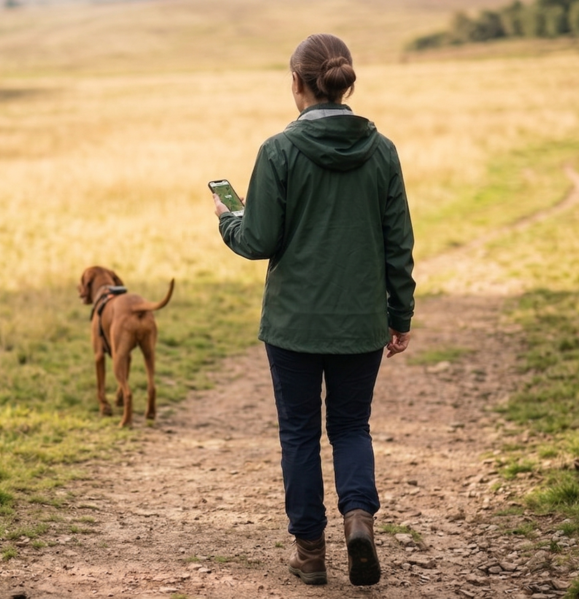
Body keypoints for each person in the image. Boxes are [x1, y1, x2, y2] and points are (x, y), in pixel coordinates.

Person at [211, 33, 415, 587]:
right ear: (344, 82)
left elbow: (257, 240)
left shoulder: (277, 151)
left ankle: (310, 552)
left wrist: (229, 219)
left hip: (293, 325)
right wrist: (400, 316)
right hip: (361, 322)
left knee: (299, 435)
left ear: (296, 83)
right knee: (351, 427)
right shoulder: (383, 151)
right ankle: (359, 521)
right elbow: (398, 242)